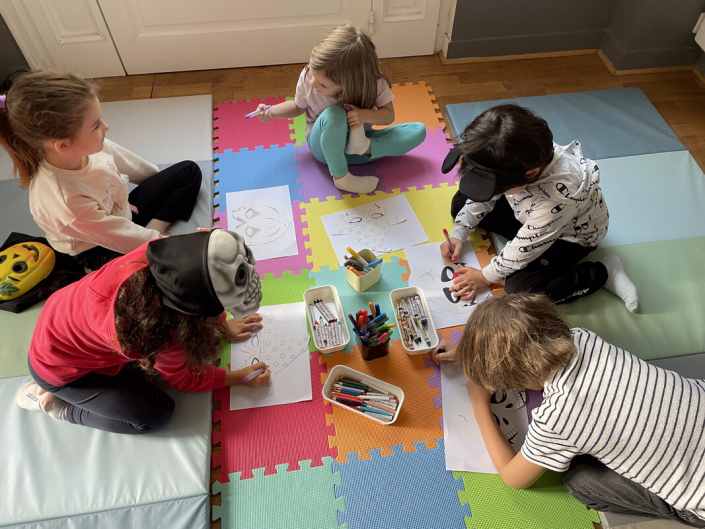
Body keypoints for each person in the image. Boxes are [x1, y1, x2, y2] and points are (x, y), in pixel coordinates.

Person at [432, 293, 705, 527]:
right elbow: (520, 339)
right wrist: (469, 353)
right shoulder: (582, 338)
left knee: (579, 480)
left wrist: (480, 405)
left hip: (698, 500)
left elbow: (513, 477)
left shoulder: (558, 418)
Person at [16, 230, 268, 434]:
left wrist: (225, 325)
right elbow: (184, 378)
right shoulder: (162, 337)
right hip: (57, 370)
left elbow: (198, 289)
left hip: (62, 320)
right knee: (154, 415)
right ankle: (58, 407)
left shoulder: (161, 252)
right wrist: (235, 378)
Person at [440, 104, 638, 311]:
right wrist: (459, 233)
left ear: (531, 173)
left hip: (569, 238)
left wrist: (485, 276)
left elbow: (524, 248)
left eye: (498, 187)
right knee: (462, 202)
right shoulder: (518, 150)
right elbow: (489, 193)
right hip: (533, 214)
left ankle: (602, 273)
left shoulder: (559, 197)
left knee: (520, 291)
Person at [0, 71, 203, 271]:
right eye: (96, 125)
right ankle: (149, 242)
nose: (106, 127)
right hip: (97, 247)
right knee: (152, 274)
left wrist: (158, 187)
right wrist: (171, 246)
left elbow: (135, 166)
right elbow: (116, 234)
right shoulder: (65, 202)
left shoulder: (88, 146)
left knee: (188, 171)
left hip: (120, 213)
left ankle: (152, 231)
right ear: (63, 146)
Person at [256, 24, 426, 194]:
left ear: (348, 84)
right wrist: (271, 112)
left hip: (357, 148)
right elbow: (297, 107)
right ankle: (342, 177)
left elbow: (388, 116)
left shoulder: (373, 83)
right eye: (314, 77)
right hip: (324, 149)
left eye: (322, 84)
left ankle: (365, 147)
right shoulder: (310, 77)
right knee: (334, 114)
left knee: (418, 131)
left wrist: (365, 116)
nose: (313, 84)